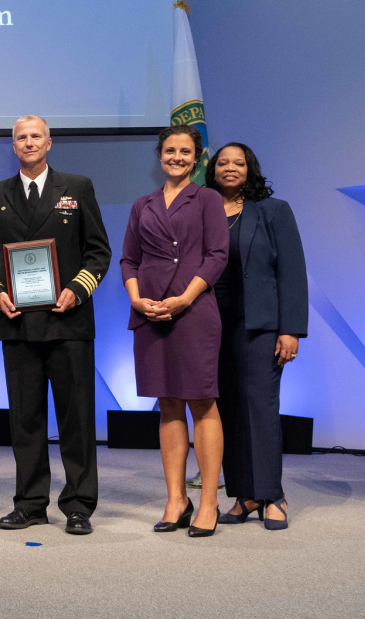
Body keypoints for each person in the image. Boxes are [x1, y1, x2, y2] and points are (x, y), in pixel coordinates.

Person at [0, 116, 111, 536]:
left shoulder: (77, 186)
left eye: (35, 136)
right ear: (13, 147)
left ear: (49, 142)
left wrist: (78, 290)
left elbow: (98, 252)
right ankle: (30, 503)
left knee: (77, 420)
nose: (28, 143)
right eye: (21, 138)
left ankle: (78, 505)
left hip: (68, 322)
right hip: (18, 325)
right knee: (26, 420)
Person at [120, 126, 228, 537]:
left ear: (198, 158)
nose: (177, 157)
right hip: (150, 312)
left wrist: (185, 298)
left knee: (202, 402)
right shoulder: (142, 204)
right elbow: (129, 260)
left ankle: (208, 502)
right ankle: (175, 498)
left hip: (194, 310)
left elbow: (218, 255)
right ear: (159, 155)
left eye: (185, 151)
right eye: (170, 150)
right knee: (167, 404)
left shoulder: (208, 198)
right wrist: (135, 299)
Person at [206, 143, 307, 530]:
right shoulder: (204, 209)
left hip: (260, 325)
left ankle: (272, 495)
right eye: (223, 162)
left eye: (239, 163)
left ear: (251, 170)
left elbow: (292, 272)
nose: (230, 168)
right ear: (212, 170)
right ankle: (244, 495)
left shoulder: (273, 211)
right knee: (226, 409)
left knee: (260, 407)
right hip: (212, 324)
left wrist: (290, 329)